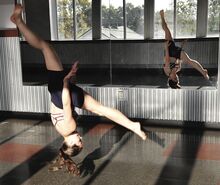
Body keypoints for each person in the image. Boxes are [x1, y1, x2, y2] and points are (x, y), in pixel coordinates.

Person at [11, 4, 146, 160]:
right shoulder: (62, 130)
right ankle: (19, 22)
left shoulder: (69, 128)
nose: (81, 139)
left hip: (63, 93)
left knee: (101, 110)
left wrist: (66, 82)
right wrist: (71, 78)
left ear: (70, 143)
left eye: (79, 142)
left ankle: (132, 125)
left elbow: (66, 104)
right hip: (57, 90)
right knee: (45, 47)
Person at [160, 10, 209, 89]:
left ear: (170, 78)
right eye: (177, 79)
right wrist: (182, 46)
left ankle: (162, 17)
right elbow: (178, 59)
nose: (177, 77)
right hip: (176, 54)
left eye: (175, 78)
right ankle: (203, 72)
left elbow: (167, 59)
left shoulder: (167, 71)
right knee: (189, 60)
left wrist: (166, 47)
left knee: (166, 29)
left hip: (169, 51)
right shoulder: (178, 69)